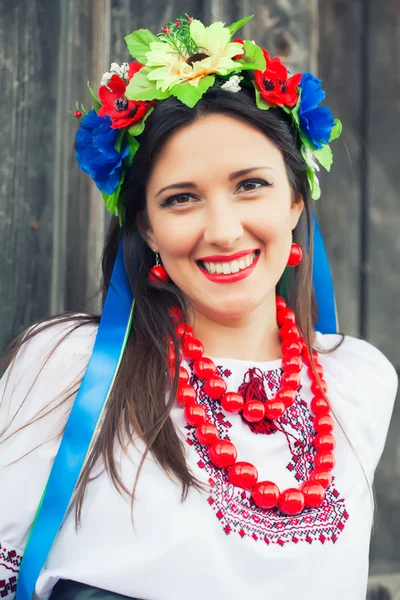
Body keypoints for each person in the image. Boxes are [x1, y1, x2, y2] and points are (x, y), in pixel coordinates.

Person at [0, 13, 397, 600]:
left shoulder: (360, 378)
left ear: (295, 200)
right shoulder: (68, 366)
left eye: (250, 185)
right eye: (181, 198)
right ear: (149, 229)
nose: (223, 230)